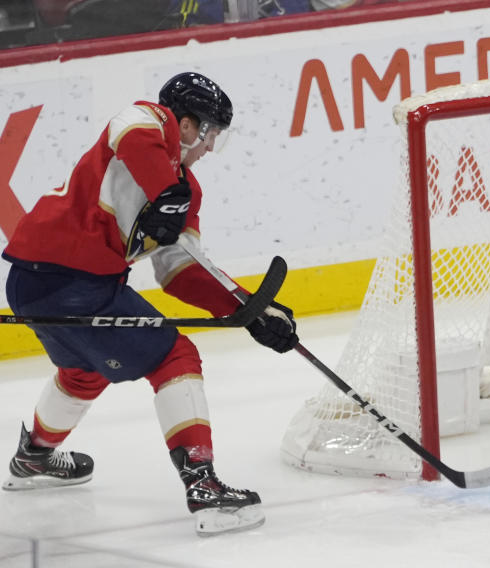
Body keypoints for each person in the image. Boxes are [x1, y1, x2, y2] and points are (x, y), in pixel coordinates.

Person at [1, 71, 298, 536]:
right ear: (185, 124)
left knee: (85, 370)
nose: (209, 148)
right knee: (175, 356)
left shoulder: (187, 193)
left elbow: (180, 271)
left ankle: (34, 456)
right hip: (74, 280)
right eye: (209, 133)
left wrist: (247, 310)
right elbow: (128, 126)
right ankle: (204, 485)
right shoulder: (150, 124)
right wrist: (166, 191)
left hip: (35, 284)